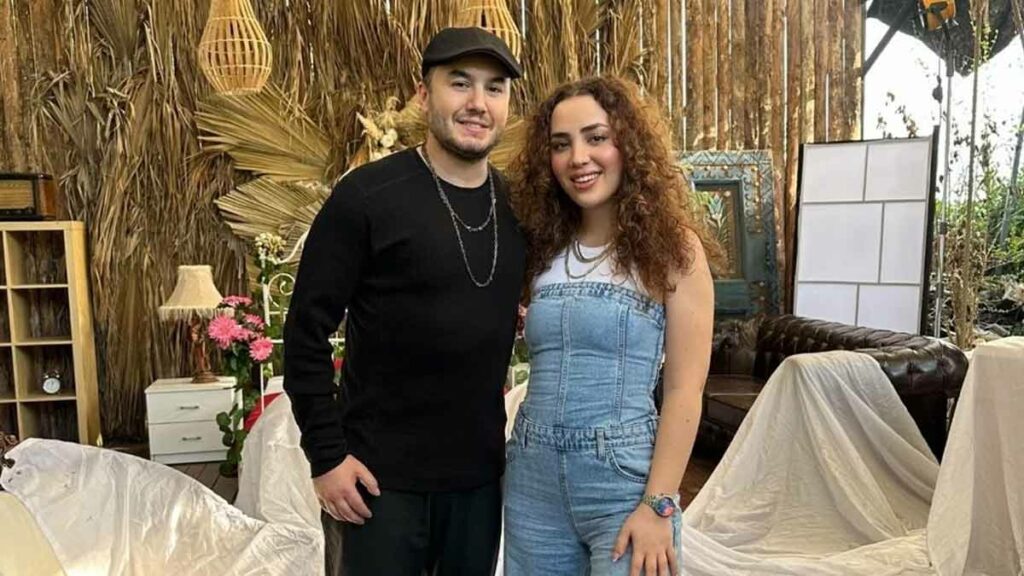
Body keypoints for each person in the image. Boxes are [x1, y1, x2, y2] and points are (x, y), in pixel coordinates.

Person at [283, 27, 526, 575]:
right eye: (459, 83)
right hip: (375, 483)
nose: (477, 102)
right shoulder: (366, 196)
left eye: (494, 88)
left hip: (478, 483)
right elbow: (305, 332)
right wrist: (327, 456)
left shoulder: (518, 207)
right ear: (423, 95)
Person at [504, 75, 716, 576]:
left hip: (625, 482)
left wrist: (659, 504)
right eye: (561, 144)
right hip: (531, 478)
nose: (578, 158)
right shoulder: (540, 248)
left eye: (596, 137)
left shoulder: (673, 250)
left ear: (628, 145)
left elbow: (684, 389)